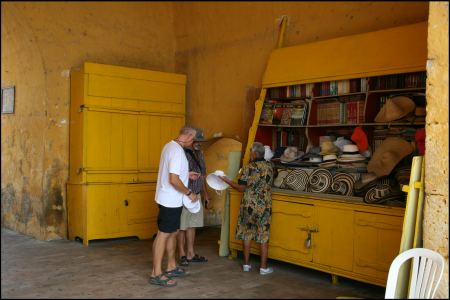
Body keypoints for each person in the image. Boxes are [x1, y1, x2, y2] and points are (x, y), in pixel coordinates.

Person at [149, 126, 201, 287]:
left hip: (170, 199)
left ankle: (171, 266)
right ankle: (156, 273)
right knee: (163, 234)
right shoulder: (178, 151)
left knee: (172, 232)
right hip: (170, 201)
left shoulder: (169, 146)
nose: (193, 143)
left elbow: (174, 174)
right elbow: (173, 179)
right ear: (187, 136)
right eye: (193, 140)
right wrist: (189, 193)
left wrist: (187, 175)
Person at [219, 142, 274, 275]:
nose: (250, 154)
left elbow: (241, 188)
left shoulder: (248, 167)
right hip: (264, 205)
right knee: (263, 235)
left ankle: (246, 264)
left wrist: (226, 180)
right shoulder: (271, 167)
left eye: (251, 152)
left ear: (255, 153)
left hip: (248, 204)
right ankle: (263, 268)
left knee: (247, 233)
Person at [177, 128, 210, 266]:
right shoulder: (181, 153)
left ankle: (190, 253)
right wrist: (188, 193)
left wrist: (205, 194)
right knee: (182, 226)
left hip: (196, 195)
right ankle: (182, 254)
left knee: (192, 225)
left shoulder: (200, 154)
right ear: (190, 139)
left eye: (200, 142)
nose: (198, 144)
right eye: (196, 141)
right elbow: (176, 176)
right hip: (184, 195)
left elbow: (202, 176)